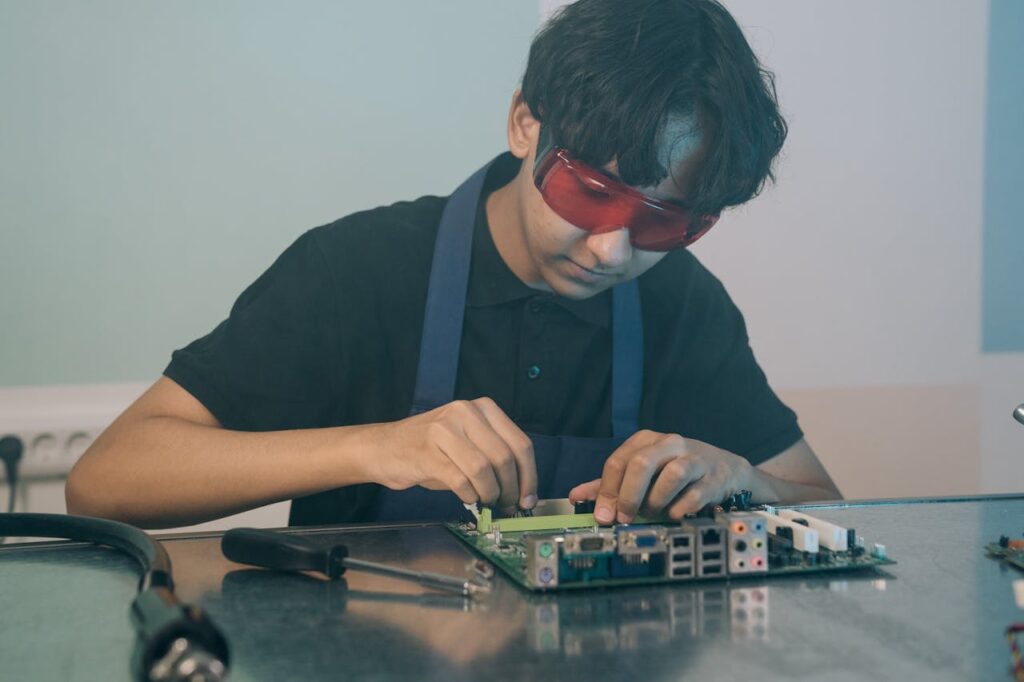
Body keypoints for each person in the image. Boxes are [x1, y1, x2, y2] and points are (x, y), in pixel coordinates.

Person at [66, 0, 840, 529]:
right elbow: (104, 481)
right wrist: (373, 446)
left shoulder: (683, 306)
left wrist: (744, 480)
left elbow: (827, 504)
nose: (613, 250)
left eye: (663, 222)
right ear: (523, 124)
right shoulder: (357, 272)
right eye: (590, 194)